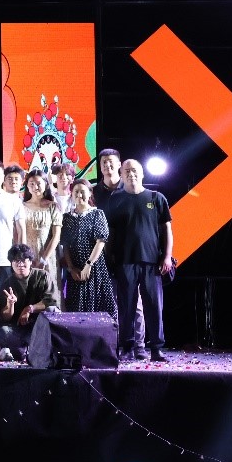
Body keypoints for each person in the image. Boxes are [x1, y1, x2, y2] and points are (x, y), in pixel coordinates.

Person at [105, 159, 174, 363]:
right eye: (126, 171)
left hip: (152, 263)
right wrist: (109, 258)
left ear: (142, 173)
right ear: (121, 175)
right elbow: (110, 232)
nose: (130, 173)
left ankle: (157, 349)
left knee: (154, 307)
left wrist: (167, 256)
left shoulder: (156, 197)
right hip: (124, 261)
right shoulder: (115, 199)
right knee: (126, 307)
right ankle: (127, 347)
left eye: (134, 170)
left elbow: (167, 230)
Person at [92, 147, 147, 359]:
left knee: (135, 303)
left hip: (129, 254)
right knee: (107, 303)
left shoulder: (132, 188)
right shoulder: (93, 193)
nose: (107, 165)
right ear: (100, 167)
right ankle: (113, 345)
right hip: (101, 255)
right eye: (103, 162)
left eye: (111, 161)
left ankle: (138, 345)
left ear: (119, 164)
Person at [0, 244, 61, 361]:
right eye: (16, 261)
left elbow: (51, 302)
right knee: (1, 332)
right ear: (11, 263)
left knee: (52, 311)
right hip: (19, 330)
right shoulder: (7, 283)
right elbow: (5, 317)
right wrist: (10, 304)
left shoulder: (42, 276)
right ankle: (24, 350)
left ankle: (38, 350)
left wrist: (30, 308)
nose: (20, 264)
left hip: (40, 328)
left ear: (30, 261)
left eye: (23, 260)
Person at [60, 180, 116, 320]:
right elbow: (65, 245)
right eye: (76, 192)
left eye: (82, 192)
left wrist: (89, 265)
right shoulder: (66, 218)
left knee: (99, 309)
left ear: (90, 193)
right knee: (75, 310)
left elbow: (101, 241)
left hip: (94, 268)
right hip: (75, 270)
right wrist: (71, 268)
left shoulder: (97, 214)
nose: (79, 195)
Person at [21, 169, 62, 283]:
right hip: (27, 258)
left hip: (48, 256)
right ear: (27, 186)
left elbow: (56, 236)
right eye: (32, 184)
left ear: (46, 184)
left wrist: (44, 259)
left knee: (49, 289)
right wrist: (25, 258)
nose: (35, 187)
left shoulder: (53, 206)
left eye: (39, 183)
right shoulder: (21, 207)